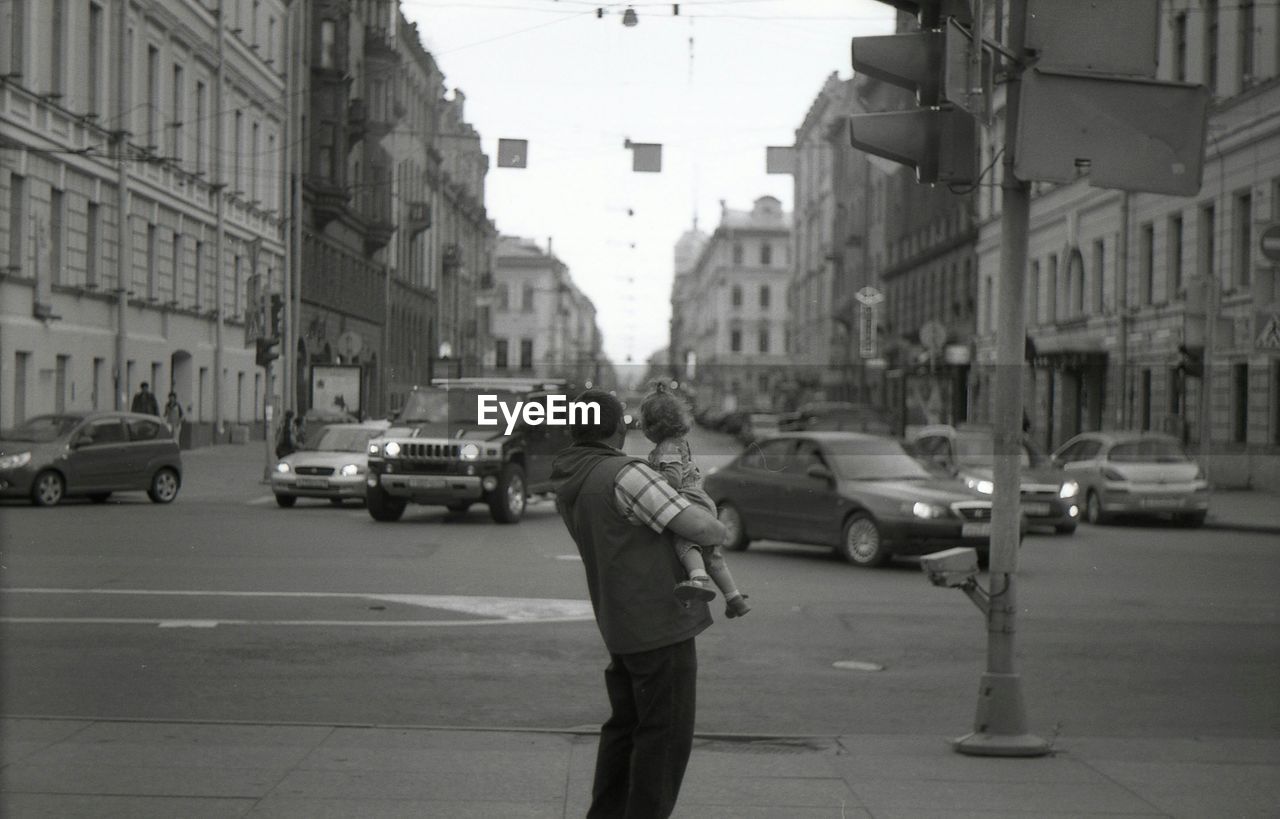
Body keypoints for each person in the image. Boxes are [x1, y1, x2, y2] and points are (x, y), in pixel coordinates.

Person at [552, 389, 729, 819]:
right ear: (619, 429)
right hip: (660, 622)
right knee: (663, 741)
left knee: (625, 731)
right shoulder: (626, 474)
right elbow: (706, 530)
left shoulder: (570, 478)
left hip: (619, 622)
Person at [640, 383, 750, 618]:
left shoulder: (667, 446)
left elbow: (673, 479)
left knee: (684, 542)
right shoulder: (678, 442)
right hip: (703, 502)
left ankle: (698, 579)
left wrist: (648, 478)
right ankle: (734, 599)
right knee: (713, 556)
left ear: (653, 425)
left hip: (689, 502)